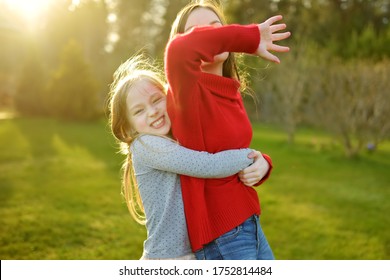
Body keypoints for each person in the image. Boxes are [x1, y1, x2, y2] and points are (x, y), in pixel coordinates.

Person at [108, 54, 271, 260]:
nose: (152, 112)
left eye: (156, 100)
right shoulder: (145, 145)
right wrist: (252, 156)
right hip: (168, 258)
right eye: (139, 111)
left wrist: (262, 162)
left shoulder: (177, 137)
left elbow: (218, 144)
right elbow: (207, 164)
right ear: (128, 127)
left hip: (191, 253)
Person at [165, 0, 291, 259]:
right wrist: (249, 36)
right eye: (198, 31)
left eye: (215, 28)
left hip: (249, 224)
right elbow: (179, 49)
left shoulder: (229, 90)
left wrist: (263, 163)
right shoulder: (186, 90)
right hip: (221, 237)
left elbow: (233, 151)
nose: (209, 35)